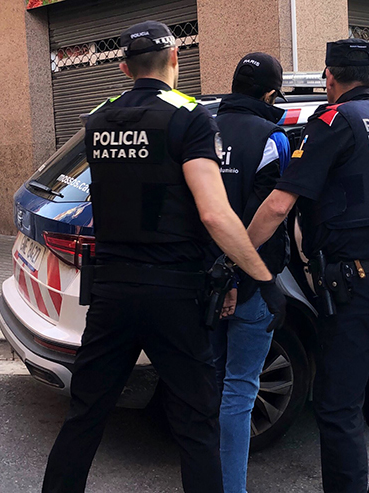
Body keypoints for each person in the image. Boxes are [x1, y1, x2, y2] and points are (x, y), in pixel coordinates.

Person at [41, 21, 285, 493]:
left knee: (86, 417)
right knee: (196, 422)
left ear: (123, 67)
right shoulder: (191, 118)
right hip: (173, 292)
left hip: (111, 290)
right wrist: (264, 278)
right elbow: (215, 215)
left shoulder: (98, 118)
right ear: (176, 60)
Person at [247, 39, 369, 493]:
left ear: (329, 76)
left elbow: (279, 204)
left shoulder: (332, 121)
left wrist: (237, 255)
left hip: (357, 281)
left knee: (339, 404)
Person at [210, 52, 291, 493]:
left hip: (201, 285)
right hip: (250, 285)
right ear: (269, 93)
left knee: (208, 385)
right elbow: (270, 213)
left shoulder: (200, 130)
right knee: (240, 390)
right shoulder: (272, 138)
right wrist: (239, 279)